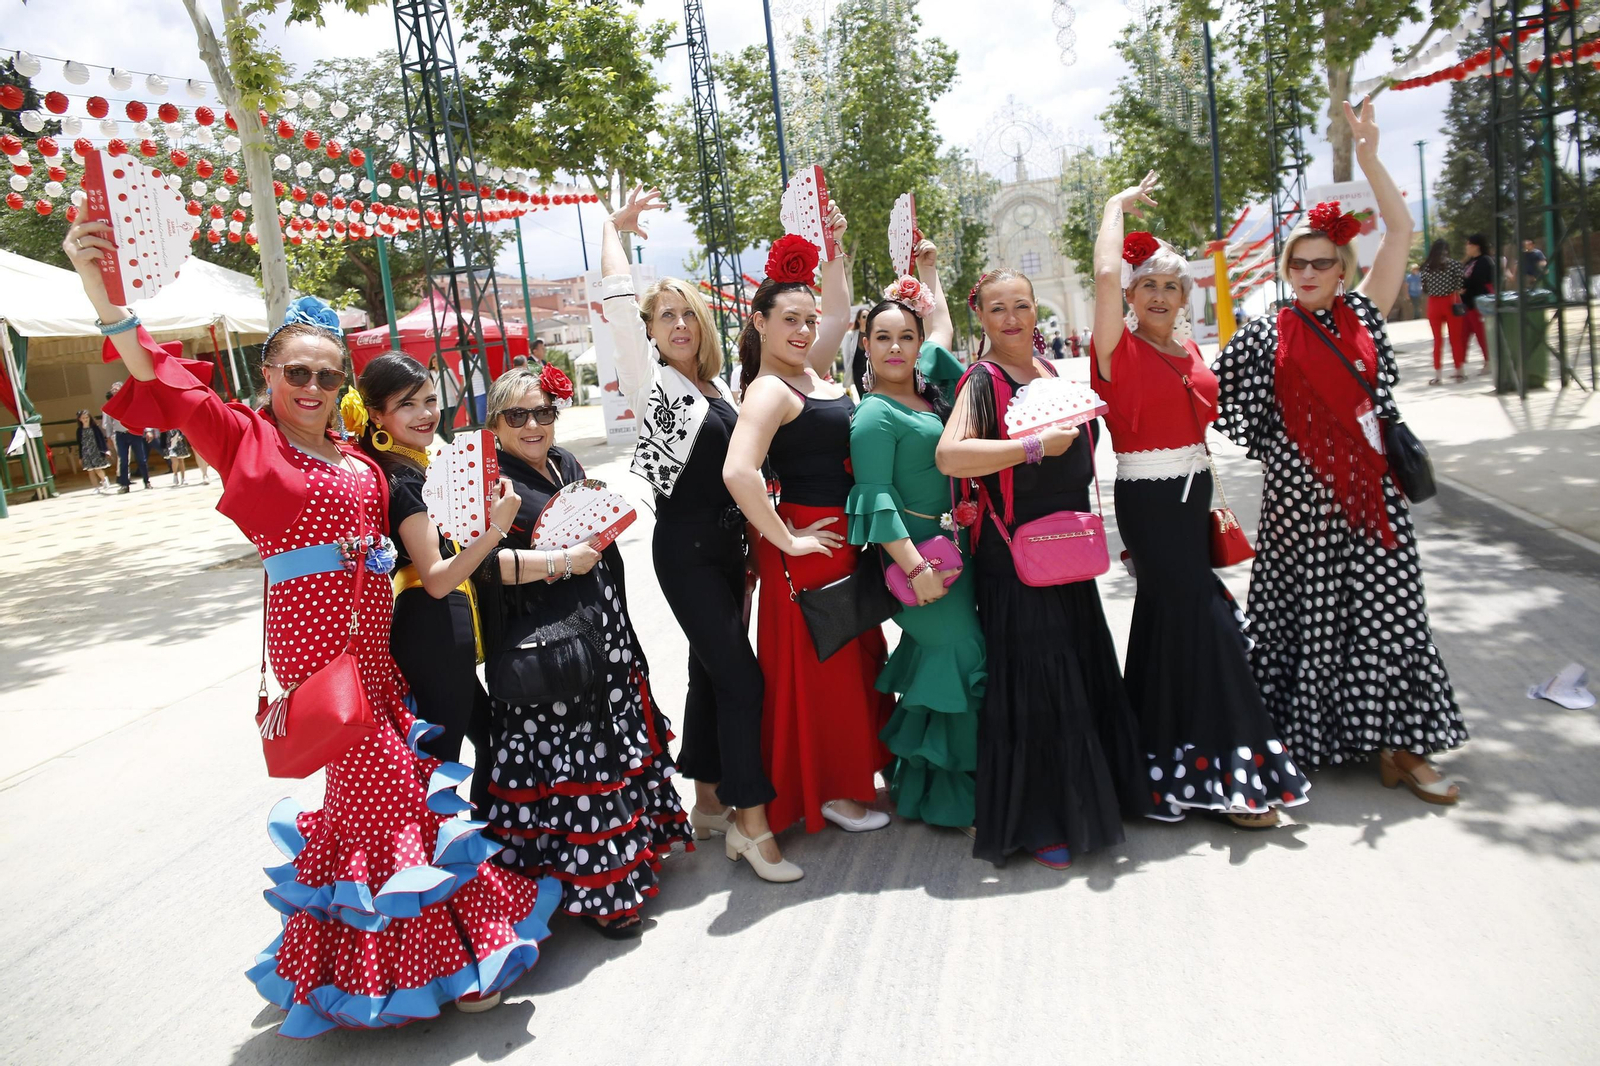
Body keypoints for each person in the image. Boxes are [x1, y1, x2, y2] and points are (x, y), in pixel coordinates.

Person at [64, 218, 556, 1033]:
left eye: (328, 377)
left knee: (377, 810)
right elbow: (163, 377)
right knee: (394, 802)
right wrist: (105, 298)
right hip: (322, 670)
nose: (313, 387)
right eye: (297, 371)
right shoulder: (247, 441)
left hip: (380, 664)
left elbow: (415, 567)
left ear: (342, 389)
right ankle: (441, 961)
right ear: (268, 373)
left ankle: (359, 969)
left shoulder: (360, 463)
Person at [1211, 99, 1467, 805]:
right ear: (1288, 269)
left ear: (1342, 264)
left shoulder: (1363, 312)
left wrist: (1372, 153)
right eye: (1298, 263)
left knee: (1392, 614)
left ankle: (1404, 748)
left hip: (1372, 495)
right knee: (1305, 618)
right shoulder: (1265, 335)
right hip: (1299, 502)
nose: (1309, 271)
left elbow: (1403, 231)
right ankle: (1304, 740)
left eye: (1322, 262)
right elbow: (1209, 389)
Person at [1089, 172, 1310, 830]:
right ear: (1130, 295)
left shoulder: (1188, 346)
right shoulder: (1114, 351)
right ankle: (1241, 777)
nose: (1160, 295)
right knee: (1211, 623)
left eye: (1171, 285)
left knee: (1167, 625)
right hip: (1149, 504)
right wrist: (1113, 208)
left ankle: (1159, 767)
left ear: (1186, 294)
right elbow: (1103, 274)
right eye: (1147, 285)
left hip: (1192, 500)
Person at [935, 267, 1150, 870]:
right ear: (979, 316)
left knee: (1075, 670)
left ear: (1036, 312)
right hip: (1014, 557)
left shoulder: (1051, 372)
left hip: (1065, 548)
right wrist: (1032, 447)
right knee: (1036, 681)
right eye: (997, 308)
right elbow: (951, 455)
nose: (1011, 318)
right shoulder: (983, 379)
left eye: (1021, 306)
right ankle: (1041, 817)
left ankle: (1092, 798)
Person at [475, 363, 691, 936]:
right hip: (549, 644)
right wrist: (563, 562)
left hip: (603, 629)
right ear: (494, 423)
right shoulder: (490, 485)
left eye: (542, 412)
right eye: (516, 415)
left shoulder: (565, 462)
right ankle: (603, 898)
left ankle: (633, 856)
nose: (532, 424)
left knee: (613, 748)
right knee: (574, 765)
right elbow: (482, 569)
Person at [597, 187, 777, 860]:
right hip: (685, 549)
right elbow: (618, 301)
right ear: (650, 329)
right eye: (664, 315)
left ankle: (704, 801)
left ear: (702, 323)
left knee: (710, 672)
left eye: (686, 314)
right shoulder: (652, 385)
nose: (677, 324)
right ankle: (749, 824)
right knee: (741, 678)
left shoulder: (717, 388)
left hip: (729, 550)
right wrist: (615, 229)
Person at [723, 210, 895, 879]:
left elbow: (841, 310)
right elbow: (738, 471)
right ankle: (830, 791)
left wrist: (834, 249)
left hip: (837, 538)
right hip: (807, 540)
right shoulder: (769, 387)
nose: (802, 329)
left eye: (807, 319)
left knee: (849, 657)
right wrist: (786, 538)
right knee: (818, 667)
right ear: (759, 322)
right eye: (788, 319)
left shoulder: (811, 372)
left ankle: (850, 779)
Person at [846, 247, 983, 831]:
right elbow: (873, 497)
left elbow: (943, 330)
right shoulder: (873, 415)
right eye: (882, 337)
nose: (896, 347)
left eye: (906, 336)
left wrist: (929, 273)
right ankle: (963, 802)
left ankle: (932, 793)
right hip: (922, 567)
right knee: (957, 660)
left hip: (962, 553)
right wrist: (916, 569)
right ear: (866, 346)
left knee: (952, 666)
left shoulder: (927, 391)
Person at [352, 353, 513, 817]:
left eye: (429, 400)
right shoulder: (399, 478)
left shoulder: (413, 465)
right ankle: (441, 871)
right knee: (440, 766)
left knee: (488, 738)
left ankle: (482, 856)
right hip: (433, 626)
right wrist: (496, 529)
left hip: (440, 627)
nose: (426, 414)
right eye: (408, 405)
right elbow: (438, 578)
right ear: (376, 415)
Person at [1419, 238, 1468, 384]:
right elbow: (1459, 285)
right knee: (1455, 339)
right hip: (1451, 301)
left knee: (1437, 340)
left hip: (1434, 303)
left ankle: (1438, 374)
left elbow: (1425, 288)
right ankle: (1459, 371)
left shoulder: (1426, 267)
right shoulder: (1454, 264)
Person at [104, 383, 151, 493]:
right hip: (120, 435)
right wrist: (109, 437)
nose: (114, 390)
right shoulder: (111, 405)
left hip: (134, 433)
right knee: (123, 460)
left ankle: (146, 481)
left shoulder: (131, 402)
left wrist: (147, 430)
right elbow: (109, 424)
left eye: (117, 388)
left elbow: (142, 416)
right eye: (113, 389)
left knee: (141, 458)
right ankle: (124, 485)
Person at [1462, 234, 1495, 373]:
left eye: (1469, 244)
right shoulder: (1469, 262)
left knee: (1482, 334)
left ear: (1476, 246)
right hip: (1468, 303)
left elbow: (1478, 280)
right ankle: (1460, 366)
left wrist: (1464, 287)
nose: (1466, 247)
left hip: (1480, 303)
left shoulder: (1485, 261)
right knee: (1463, 335)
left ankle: (1490, 362)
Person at [75, 408, 111, 493]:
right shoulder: (79, 430)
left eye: (87, 417)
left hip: (96, 450)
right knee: (90, 470)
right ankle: (96, 487)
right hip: (86, 452)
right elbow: (80, 444)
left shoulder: (95, 428)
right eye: (83, 418)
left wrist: (105, 450)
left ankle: (104, 479)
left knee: (98, 469)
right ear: (80, 419)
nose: (85, 419)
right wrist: (80, 456)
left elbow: (101, 439)